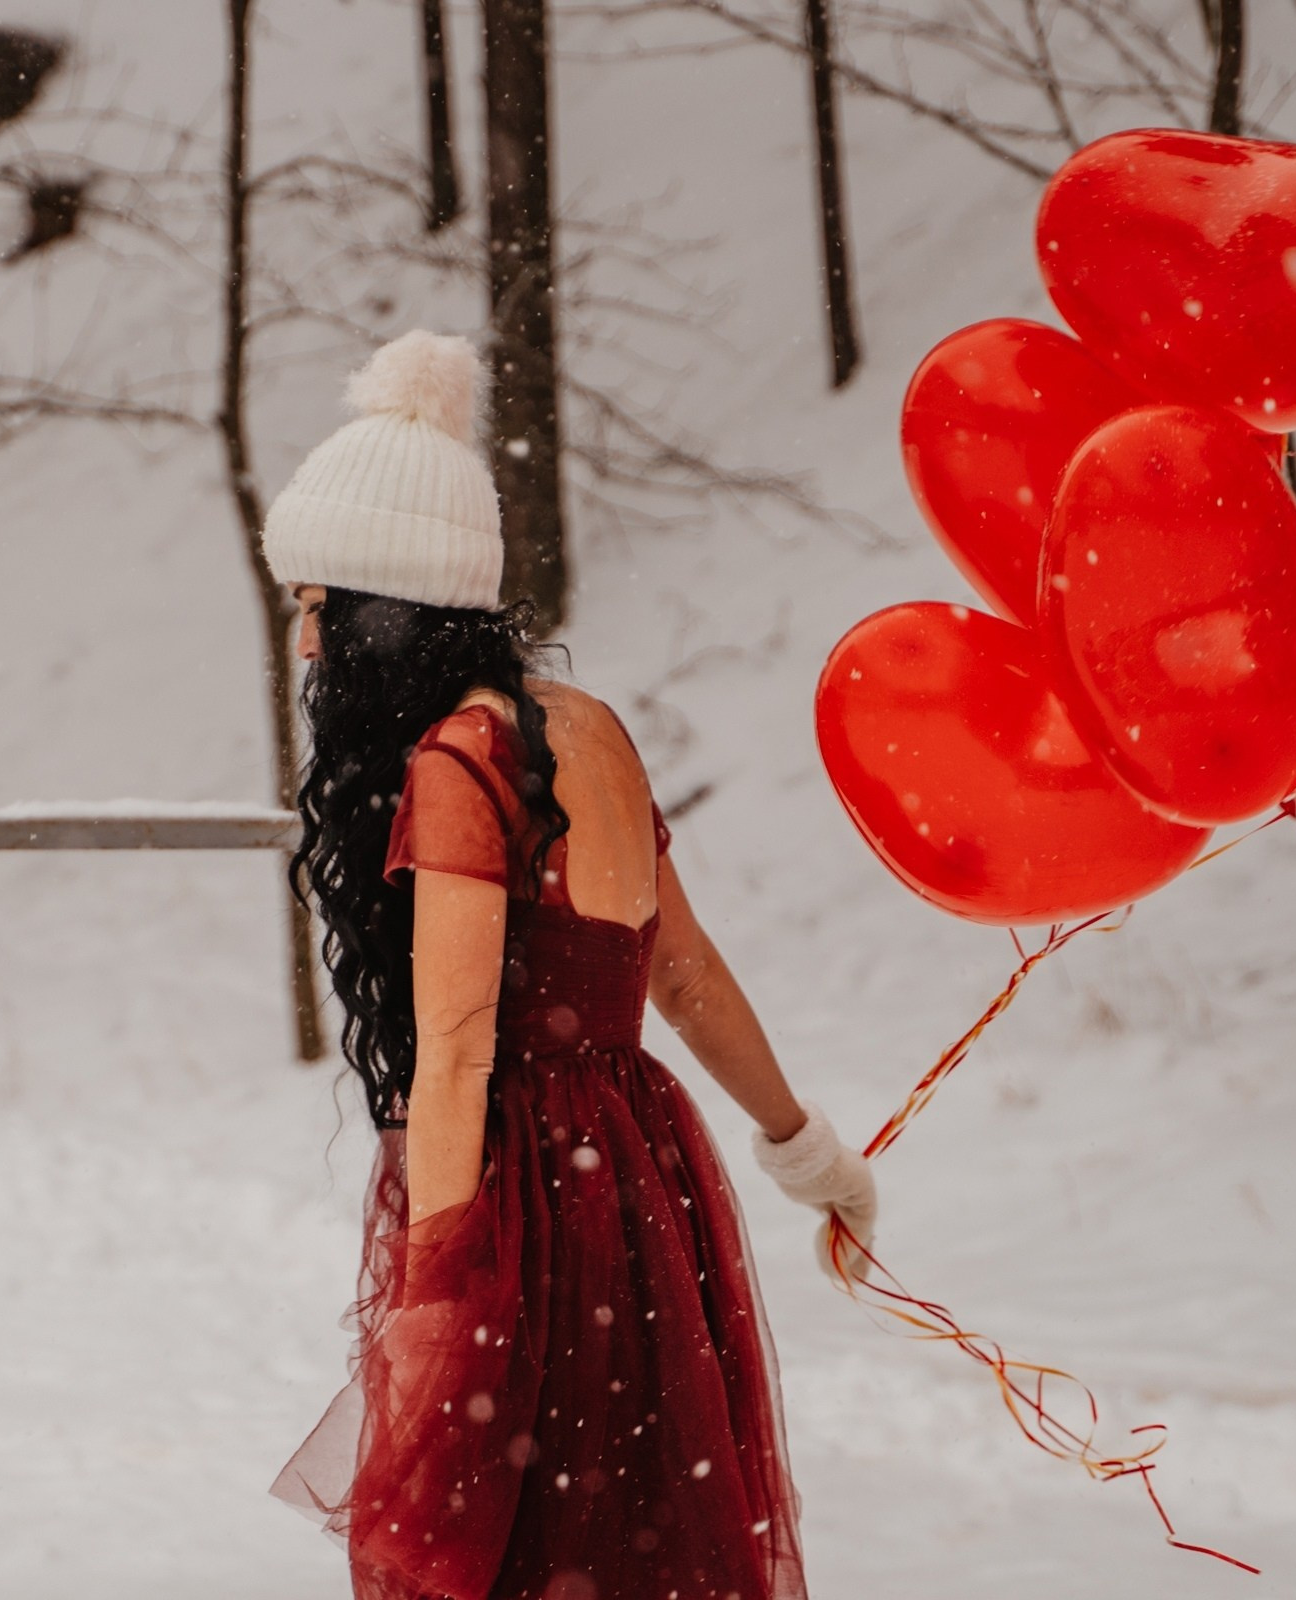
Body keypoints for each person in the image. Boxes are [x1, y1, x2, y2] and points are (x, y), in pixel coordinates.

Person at [267, 330, 876, 1600]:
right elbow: (688, 973)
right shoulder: (588, 729)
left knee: (523, 1542)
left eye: (321, 606)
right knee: (638, 1528)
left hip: (525, 1192)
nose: (309, 644)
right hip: (642, 1170)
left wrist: (433, 1287)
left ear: (390, 612)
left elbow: (455, 1045)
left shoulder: (455, 764)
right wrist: (804, 1147)